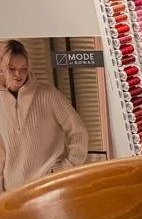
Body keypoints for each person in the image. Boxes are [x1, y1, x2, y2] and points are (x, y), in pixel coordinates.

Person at [0, 39, 89, 192]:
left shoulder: (48, 95)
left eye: (23, 69)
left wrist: (66, 169)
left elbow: (79, 133)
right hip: (15, 194)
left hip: (51, 187)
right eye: (12, 68)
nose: (18, 74)